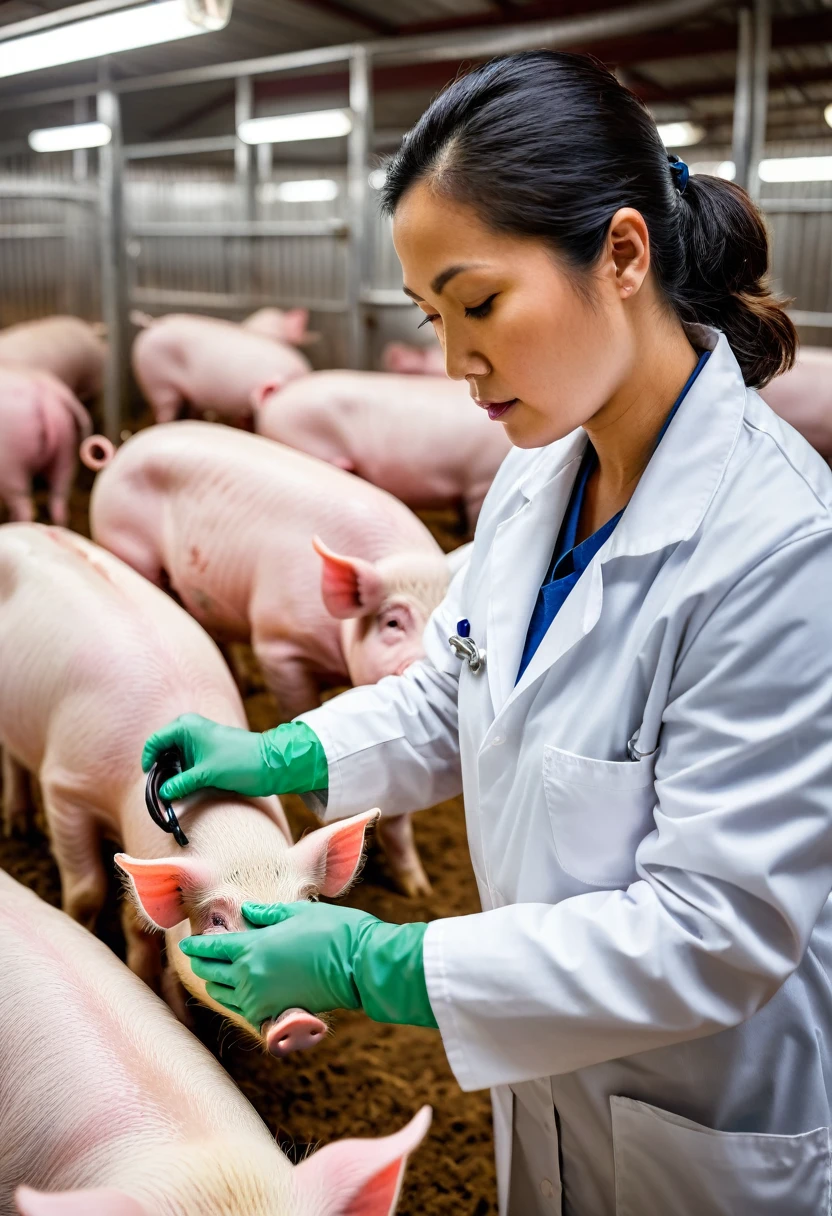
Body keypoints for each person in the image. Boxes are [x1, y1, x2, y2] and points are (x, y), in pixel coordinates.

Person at [142, 51, 832, 1216]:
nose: (455, 361)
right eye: (431, 315)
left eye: (479, 304)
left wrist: (381, 962)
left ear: (621, 255)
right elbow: (452, 687)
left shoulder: (780, 550)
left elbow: (716, 930)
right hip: (551, 1079)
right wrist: (289, 751)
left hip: (703, 1114)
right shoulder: (536, 474)